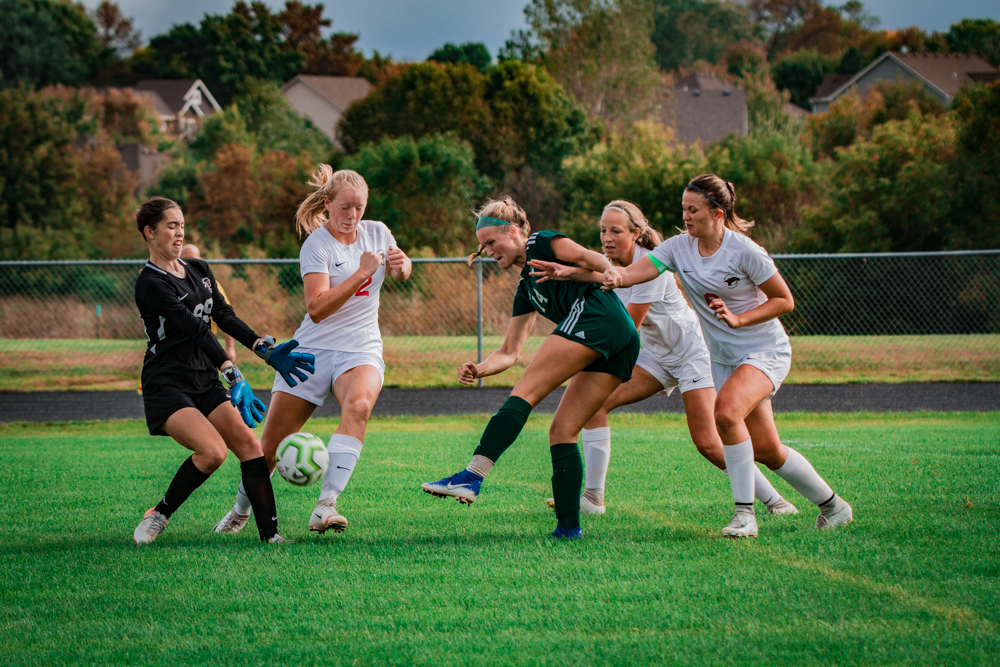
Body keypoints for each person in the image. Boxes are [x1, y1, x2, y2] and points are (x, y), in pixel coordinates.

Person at [602, 175, 853, 538]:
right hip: (723, 359)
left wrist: (738, 318)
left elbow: (784, 300)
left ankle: (744, 517)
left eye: (693, 210)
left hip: (764, 351)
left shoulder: (745, 251)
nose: (685, 216)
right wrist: (612, 277)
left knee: (726, 412)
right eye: (683, 209)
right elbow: (632, 273)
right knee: (767, 449)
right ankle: (834, 506)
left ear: (717, 213)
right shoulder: (677, 247)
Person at [530, 200, 796, 517]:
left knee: (709, 444)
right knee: (593, 404)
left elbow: (628, 328)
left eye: (616, 230)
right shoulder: (612, 265)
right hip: (656, 356)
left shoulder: (649, 267)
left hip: (691, 357)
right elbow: (596, 274)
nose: (607, 238)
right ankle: (592, 498)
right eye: (603, 230)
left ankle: (776, 503)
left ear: (636, 233)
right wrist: (567, 272)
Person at [420, 197, 640, 539]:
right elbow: (509, 352)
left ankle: (472, 476)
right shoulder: (526, 288)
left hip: (600, 318)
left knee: (526, 392)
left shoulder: (540, 241)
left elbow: (586, 257)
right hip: (621, 340)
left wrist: (610, 270)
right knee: (562, 431)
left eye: (491, 242)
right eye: (483, 246)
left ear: (512, 231)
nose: (489, 251)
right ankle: (568, 529)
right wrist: (478, 369)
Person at [212, 166, 412, 536]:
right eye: (345, 208)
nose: (353, 216)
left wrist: (402, 266)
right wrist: (362, 273)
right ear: (327, 203)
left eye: (360, 207)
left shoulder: (378, 232)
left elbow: (399, 271)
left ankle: (326, 505)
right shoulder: (317, 245)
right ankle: (240, 511)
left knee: (359, 407)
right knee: (268, 447)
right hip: (312, 351)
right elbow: (317, 308)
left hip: (360, 348)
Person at [132, 197, 315, 545]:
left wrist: (263, 348)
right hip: (167, 381)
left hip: (202, 376)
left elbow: (224, 316)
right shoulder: (151, 282)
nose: (178, 231)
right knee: (212, 452)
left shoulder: (198, 269)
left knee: (250, 446)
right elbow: (194, 329)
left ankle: (271, 537)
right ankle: (159, 514)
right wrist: (231, 372)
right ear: (149, 232)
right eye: (170, 225)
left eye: (181, 225)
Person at [180, 244, 237, 363]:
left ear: (200, 260)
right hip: (178, 346)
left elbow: (225, 315)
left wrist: (230, 347)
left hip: (204, 345)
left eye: (192, 258)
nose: (189, 262)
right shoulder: (171, 283)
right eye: (185, 258)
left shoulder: (209, 284)